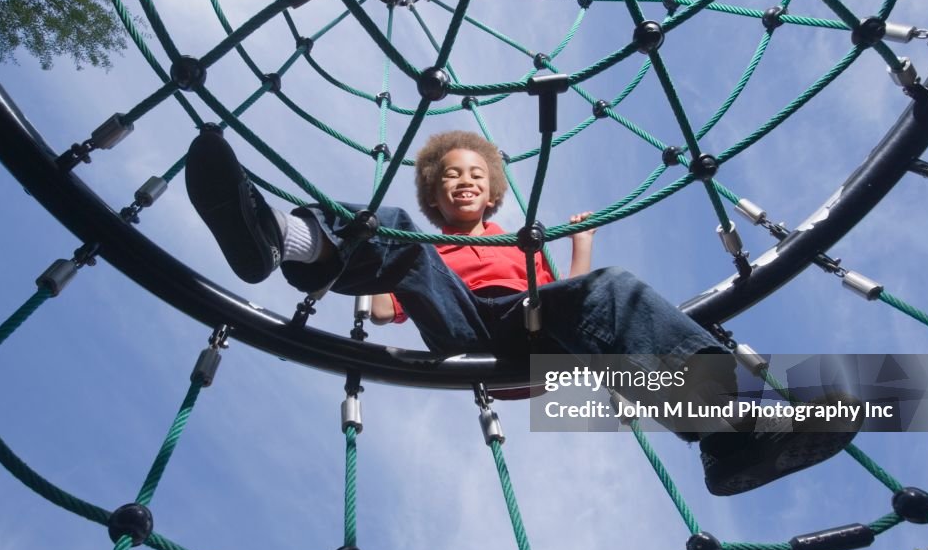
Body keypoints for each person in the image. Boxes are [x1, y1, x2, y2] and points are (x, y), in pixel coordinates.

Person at [185, 125, 861, 496]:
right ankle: (276, 233)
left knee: (611, 288)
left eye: (475, 172)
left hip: (529, 332)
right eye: (450, 175)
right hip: (464, 327)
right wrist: (375, 269)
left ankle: (730, 433)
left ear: (493, 189)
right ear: (436, 194)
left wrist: (584, 247)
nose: (464, 180)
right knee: (380, 223)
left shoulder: (519, 242)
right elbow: (391, 308)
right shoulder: (430, 241)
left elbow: (578, 307)